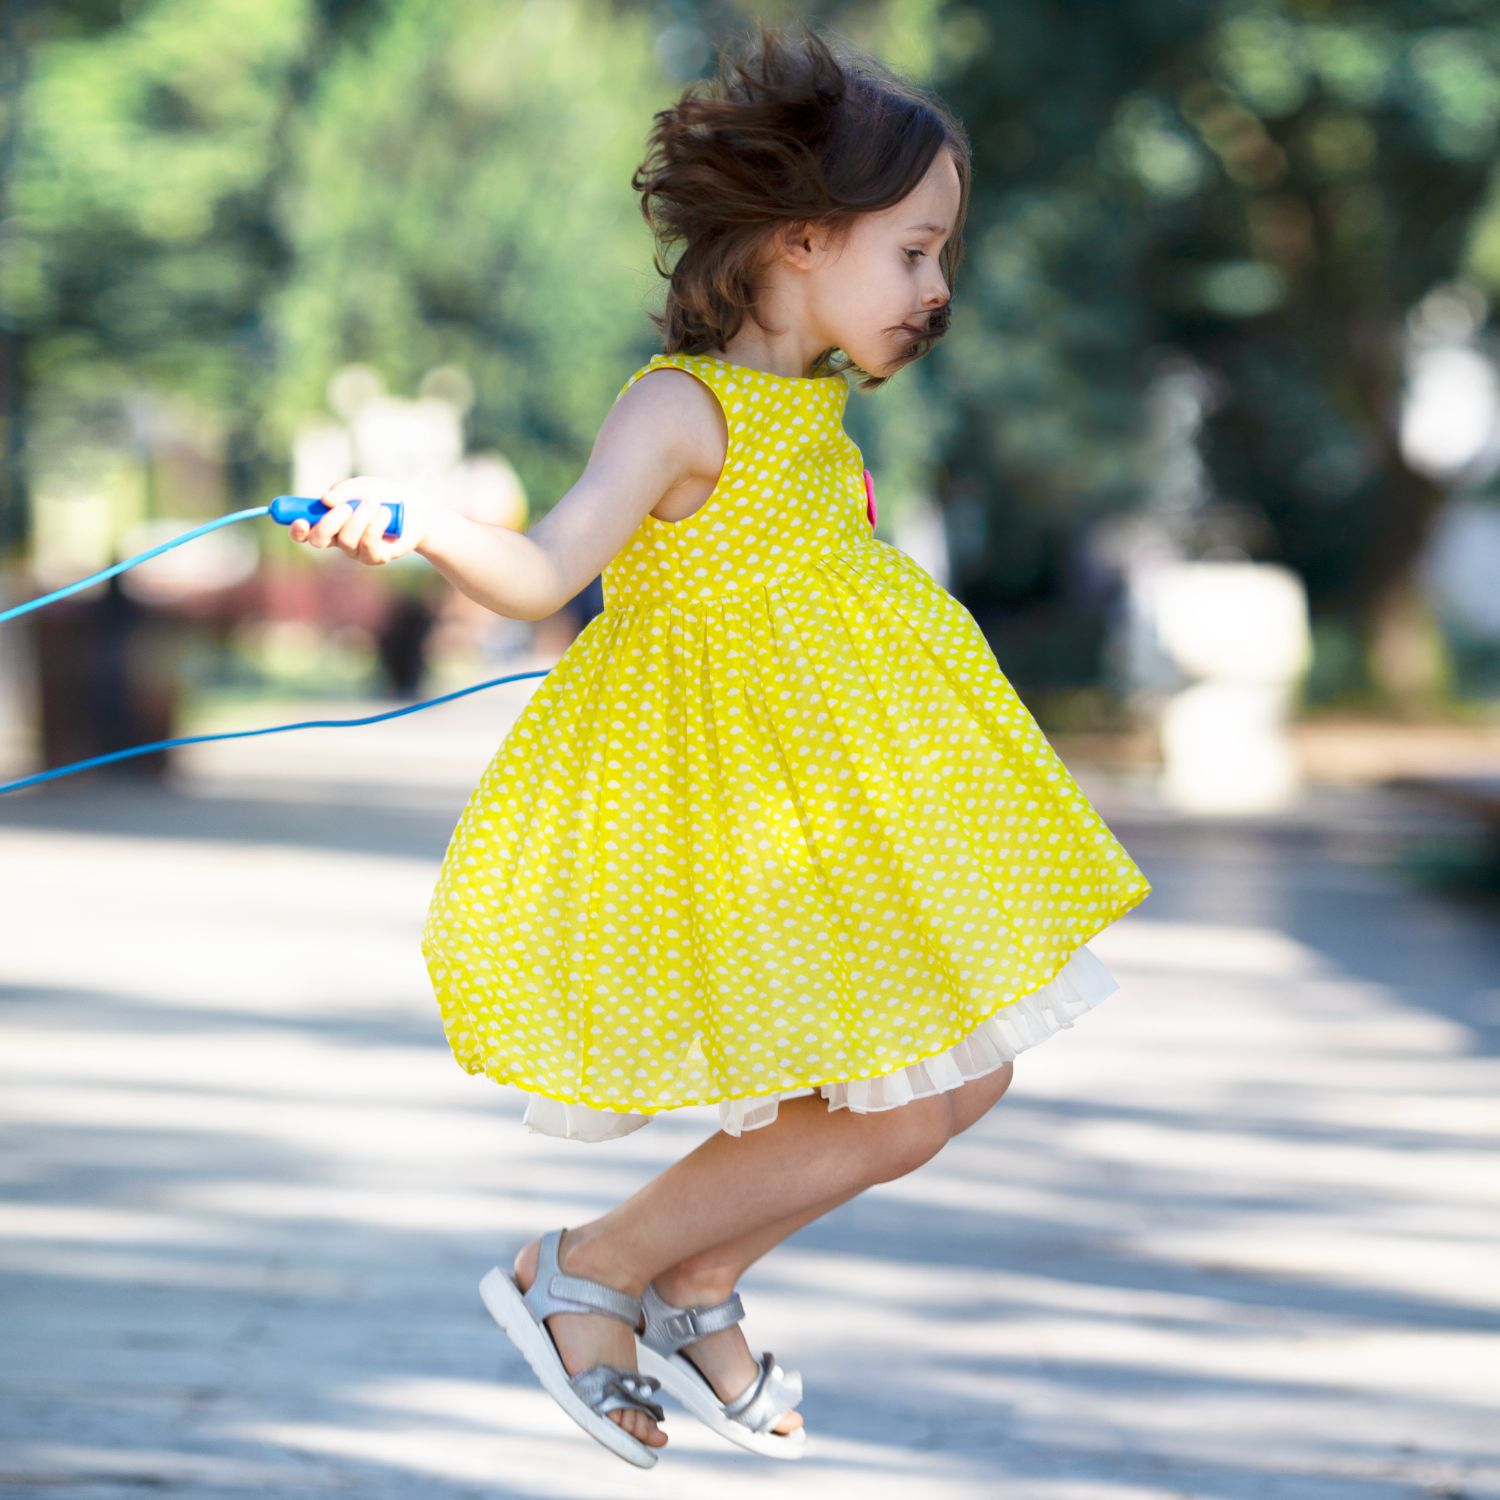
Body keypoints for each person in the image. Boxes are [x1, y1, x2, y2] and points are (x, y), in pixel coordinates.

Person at [288, 18, 1153, 1471]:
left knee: (963, 1079)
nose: (940, 288)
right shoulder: (681, 409)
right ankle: (583, 1271)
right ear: (807, 239)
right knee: (901, 1099)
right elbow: (547, 566)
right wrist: (418, 519)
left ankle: (689, 1282)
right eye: (917, 251)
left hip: (839, 804)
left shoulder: (812, 414)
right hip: (738, 798)